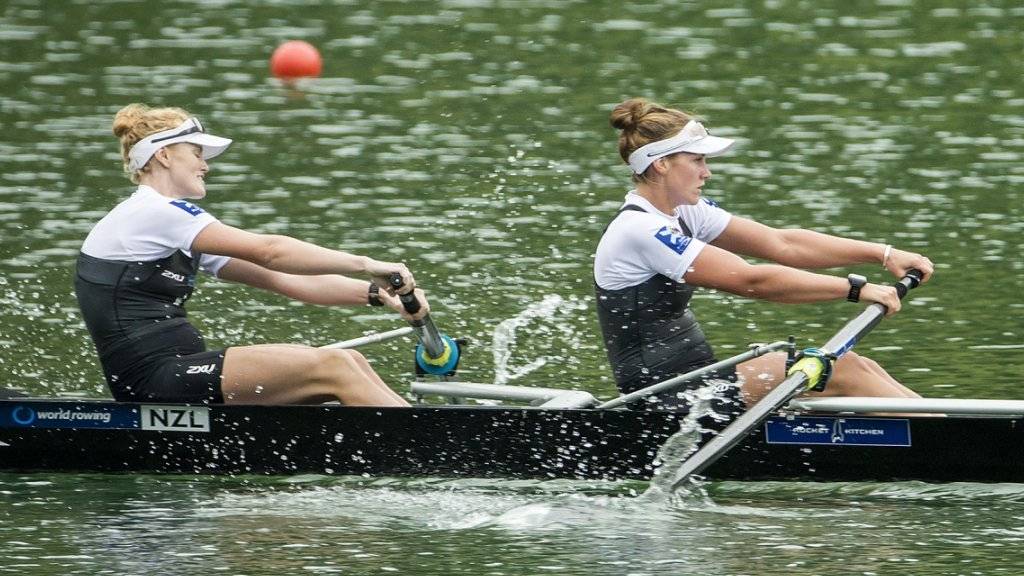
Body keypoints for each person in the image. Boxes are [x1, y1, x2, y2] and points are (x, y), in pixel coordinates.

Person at [75, 103, 428, 407]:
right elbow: (271, 253)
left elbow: (283, 278)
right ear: (163, 155)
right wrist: (365, 264)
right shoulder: (152, 212)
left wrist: (382, 296)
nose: (205, 166)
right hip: (153, 382)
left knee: (350, 360)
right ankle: (435, 449)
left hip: (179, 370)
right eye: (196, 153)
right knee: (335, 366)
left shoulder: (169, 225)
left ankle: (431, 438)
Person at [594, 97, 935, 412]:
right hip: (662, 397)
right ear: (662, 164)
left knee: (858, 364)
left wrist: (884, 253)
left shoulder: (685, 212)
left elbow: (783, 244)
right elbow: (752, 280)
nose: (707, 172)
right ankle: (951, 447)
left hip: (697, 377)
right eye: (697, 160)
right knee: (843, 372)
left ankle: (952, 428)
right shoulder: (639, 230)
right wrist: (857, 290)